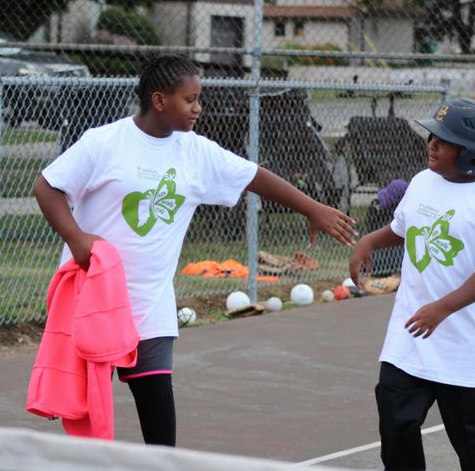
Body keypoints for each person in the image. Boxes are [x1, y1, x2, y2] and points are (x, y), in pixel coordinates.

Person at [32, 54, 357, 446]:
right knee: (85, 422)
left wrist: (311, 207)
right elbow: (47, 186)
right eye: (190, 100)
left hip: (150, 305)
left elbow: (252, 175)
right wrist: (76, 238)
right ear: (159, 101)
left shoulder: (195, 152)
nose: (198, 108)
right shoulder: (104, 143)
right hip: (94, 301)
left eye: (198, 98)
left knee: (159, 423)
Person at [350, 98, 475, 470]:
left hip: (466, 349)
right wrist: (370, 241)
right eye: (433, 135)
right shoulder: (423, 181)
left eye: (444, 140)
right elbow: (403, 228)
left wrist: (442, 309)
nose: (432, 144)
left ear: (472, 153)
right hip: (410, 336)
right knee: (396, 423)